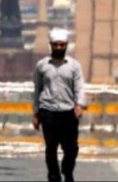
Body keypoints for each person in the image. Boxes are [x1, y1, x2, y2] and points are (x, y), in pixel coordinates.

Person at [33, 28, 86, 182]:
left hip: (68, 112)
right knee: (51, 148)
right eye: (56, 45)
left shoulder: (74, 66)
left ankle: (67, 170)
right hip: (48, 111)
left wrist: (80, 105)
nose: (58, 48)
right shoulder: (42, 66)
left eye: (62, 45)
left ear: (66, 46)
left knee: (71, 149)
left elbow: (79, 87)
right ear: (51, 45)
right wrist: (36, 113)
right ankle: (54, 176)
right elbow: (37, 89)